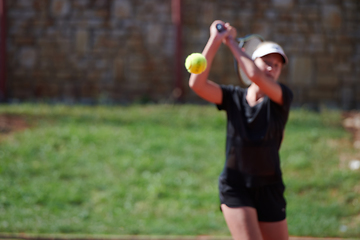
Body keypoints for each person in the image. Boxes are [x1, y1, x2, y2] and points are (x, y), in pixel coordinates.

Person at [188, 20, 293, 240]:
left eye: (277, 65)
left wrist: (232, 42)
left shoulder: (281, 98)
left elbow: (256, 76)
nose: (272, 68)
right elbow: (197, 84)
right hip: (235, 185)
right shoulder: (233, 97)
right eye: (266, 61)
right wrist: (216, 40)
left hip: (269, 186)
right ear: (251, 61)